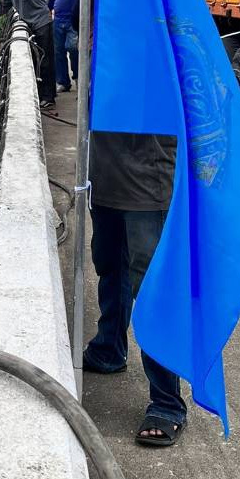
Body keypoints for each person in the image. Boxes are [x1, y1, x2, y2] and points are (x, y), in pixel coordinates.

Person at [80, 130, 189, 447]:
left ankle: (167, 403)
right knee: (110, 266)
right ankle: (109, 349)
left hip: (147, 182)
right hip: (102, 175)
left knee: (153, 293)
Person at [49, 0, 80, 92]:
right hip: (58, 20)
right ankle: (63, 81)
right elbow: (51, 1)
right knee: (58, 51)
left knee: (73, 48)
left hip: (72, 19)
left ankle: (78, 77)